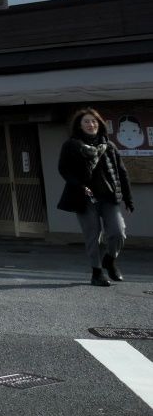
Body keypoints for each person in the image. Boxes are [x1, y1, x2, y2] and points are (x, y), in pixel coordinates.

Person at [56, 108, 135, 287]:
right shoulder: (72, 145)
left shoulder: (109, 146)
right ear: (79, 125)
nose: (91, 124)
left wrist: (128, 199)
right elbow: (64, 169)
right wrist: (79, 185)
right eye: (86, 121)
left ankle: (110, 259)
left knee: (118, 232)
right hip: (84, 198)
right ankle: (97, 272)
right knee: (93, 235)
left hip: (108, 196)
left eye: (94, 121)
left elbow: (122, 173)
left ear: (99, 124)